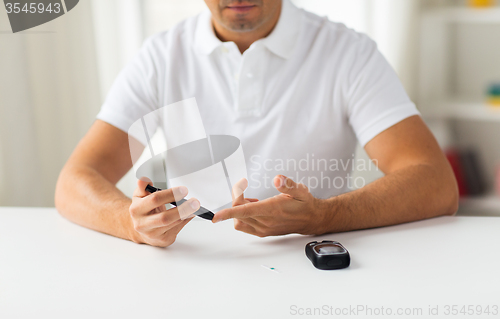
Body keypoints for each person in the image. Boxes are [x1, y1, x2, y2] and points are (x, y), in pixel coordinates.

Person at [55, 0, 459, 247]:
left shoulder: (348, 53)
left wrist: (325, 215)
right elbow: (75, 180)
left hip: (311, 262)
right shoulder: (161, 56)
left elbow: (435, 183)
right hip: (191, 268)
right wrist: (131, 223)